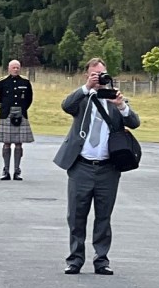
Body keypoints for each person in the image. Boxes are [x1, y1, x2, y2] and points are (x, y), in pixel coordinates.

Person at [53, 57, 141, 275]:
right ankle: (75, 259)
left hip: (107, 168)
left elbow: (134, 122)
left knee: (104, 215)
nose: (100, 78)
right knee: (76, 215)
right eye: (95, 74)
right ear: (88, 75)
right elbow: (66, 105)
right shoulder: (82, 99)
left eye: (103, 74)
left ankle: (101, 260)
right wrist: (87, 88)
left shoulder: (114, 99)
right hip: (81, 165)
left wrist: (121, 106)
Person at [0, 59, 34, 181]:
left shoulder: (25, 82)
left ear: (20, 68)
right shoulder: (2, 82)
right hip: (6, 113)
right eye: (13, 67)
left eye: (17, 67)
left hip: (21, 113)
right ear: (9, 68)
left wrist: (21, 110)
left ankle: (17, 171)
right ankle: (6, 171)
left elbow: (29, 99)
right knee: (6, 143)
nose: (15, 69)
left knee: (19, 143)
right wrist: (4, 111)